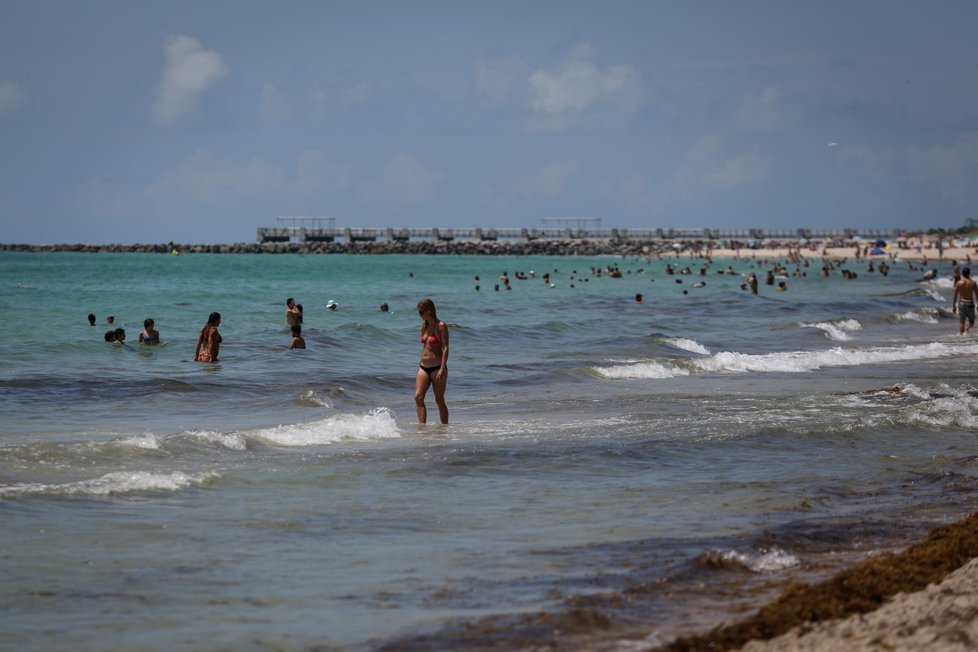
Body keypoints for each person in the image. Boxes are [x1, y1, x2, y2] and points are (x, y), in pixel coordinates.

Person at [415, 298, 449, 424]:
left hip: (437, 367)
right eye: (419, 312)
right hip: (423, 367)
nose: (420, 315)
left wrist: (442, 368)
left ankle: (445, 429)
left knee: (439, 400)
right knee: (418, 397)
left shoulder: (441, 326)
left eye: (421, 312)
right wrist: (419, 367)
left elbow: (445, 347)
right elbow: (425, 347)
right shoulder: (424, 326)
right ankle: (422, 428)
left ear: (429, 310)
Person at [952, 267, 978, 335]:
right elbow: (977, 295)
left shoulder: (958, 283)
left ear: (962, 274)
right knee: (972, 322)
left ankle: (961, 337)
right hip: (970, 303)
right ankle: (967, 328)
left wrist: (954, 306)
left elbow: (955, 295)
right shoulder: (973, 283)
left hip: (961, 303)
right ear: (969, 273)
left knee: (962, 321)